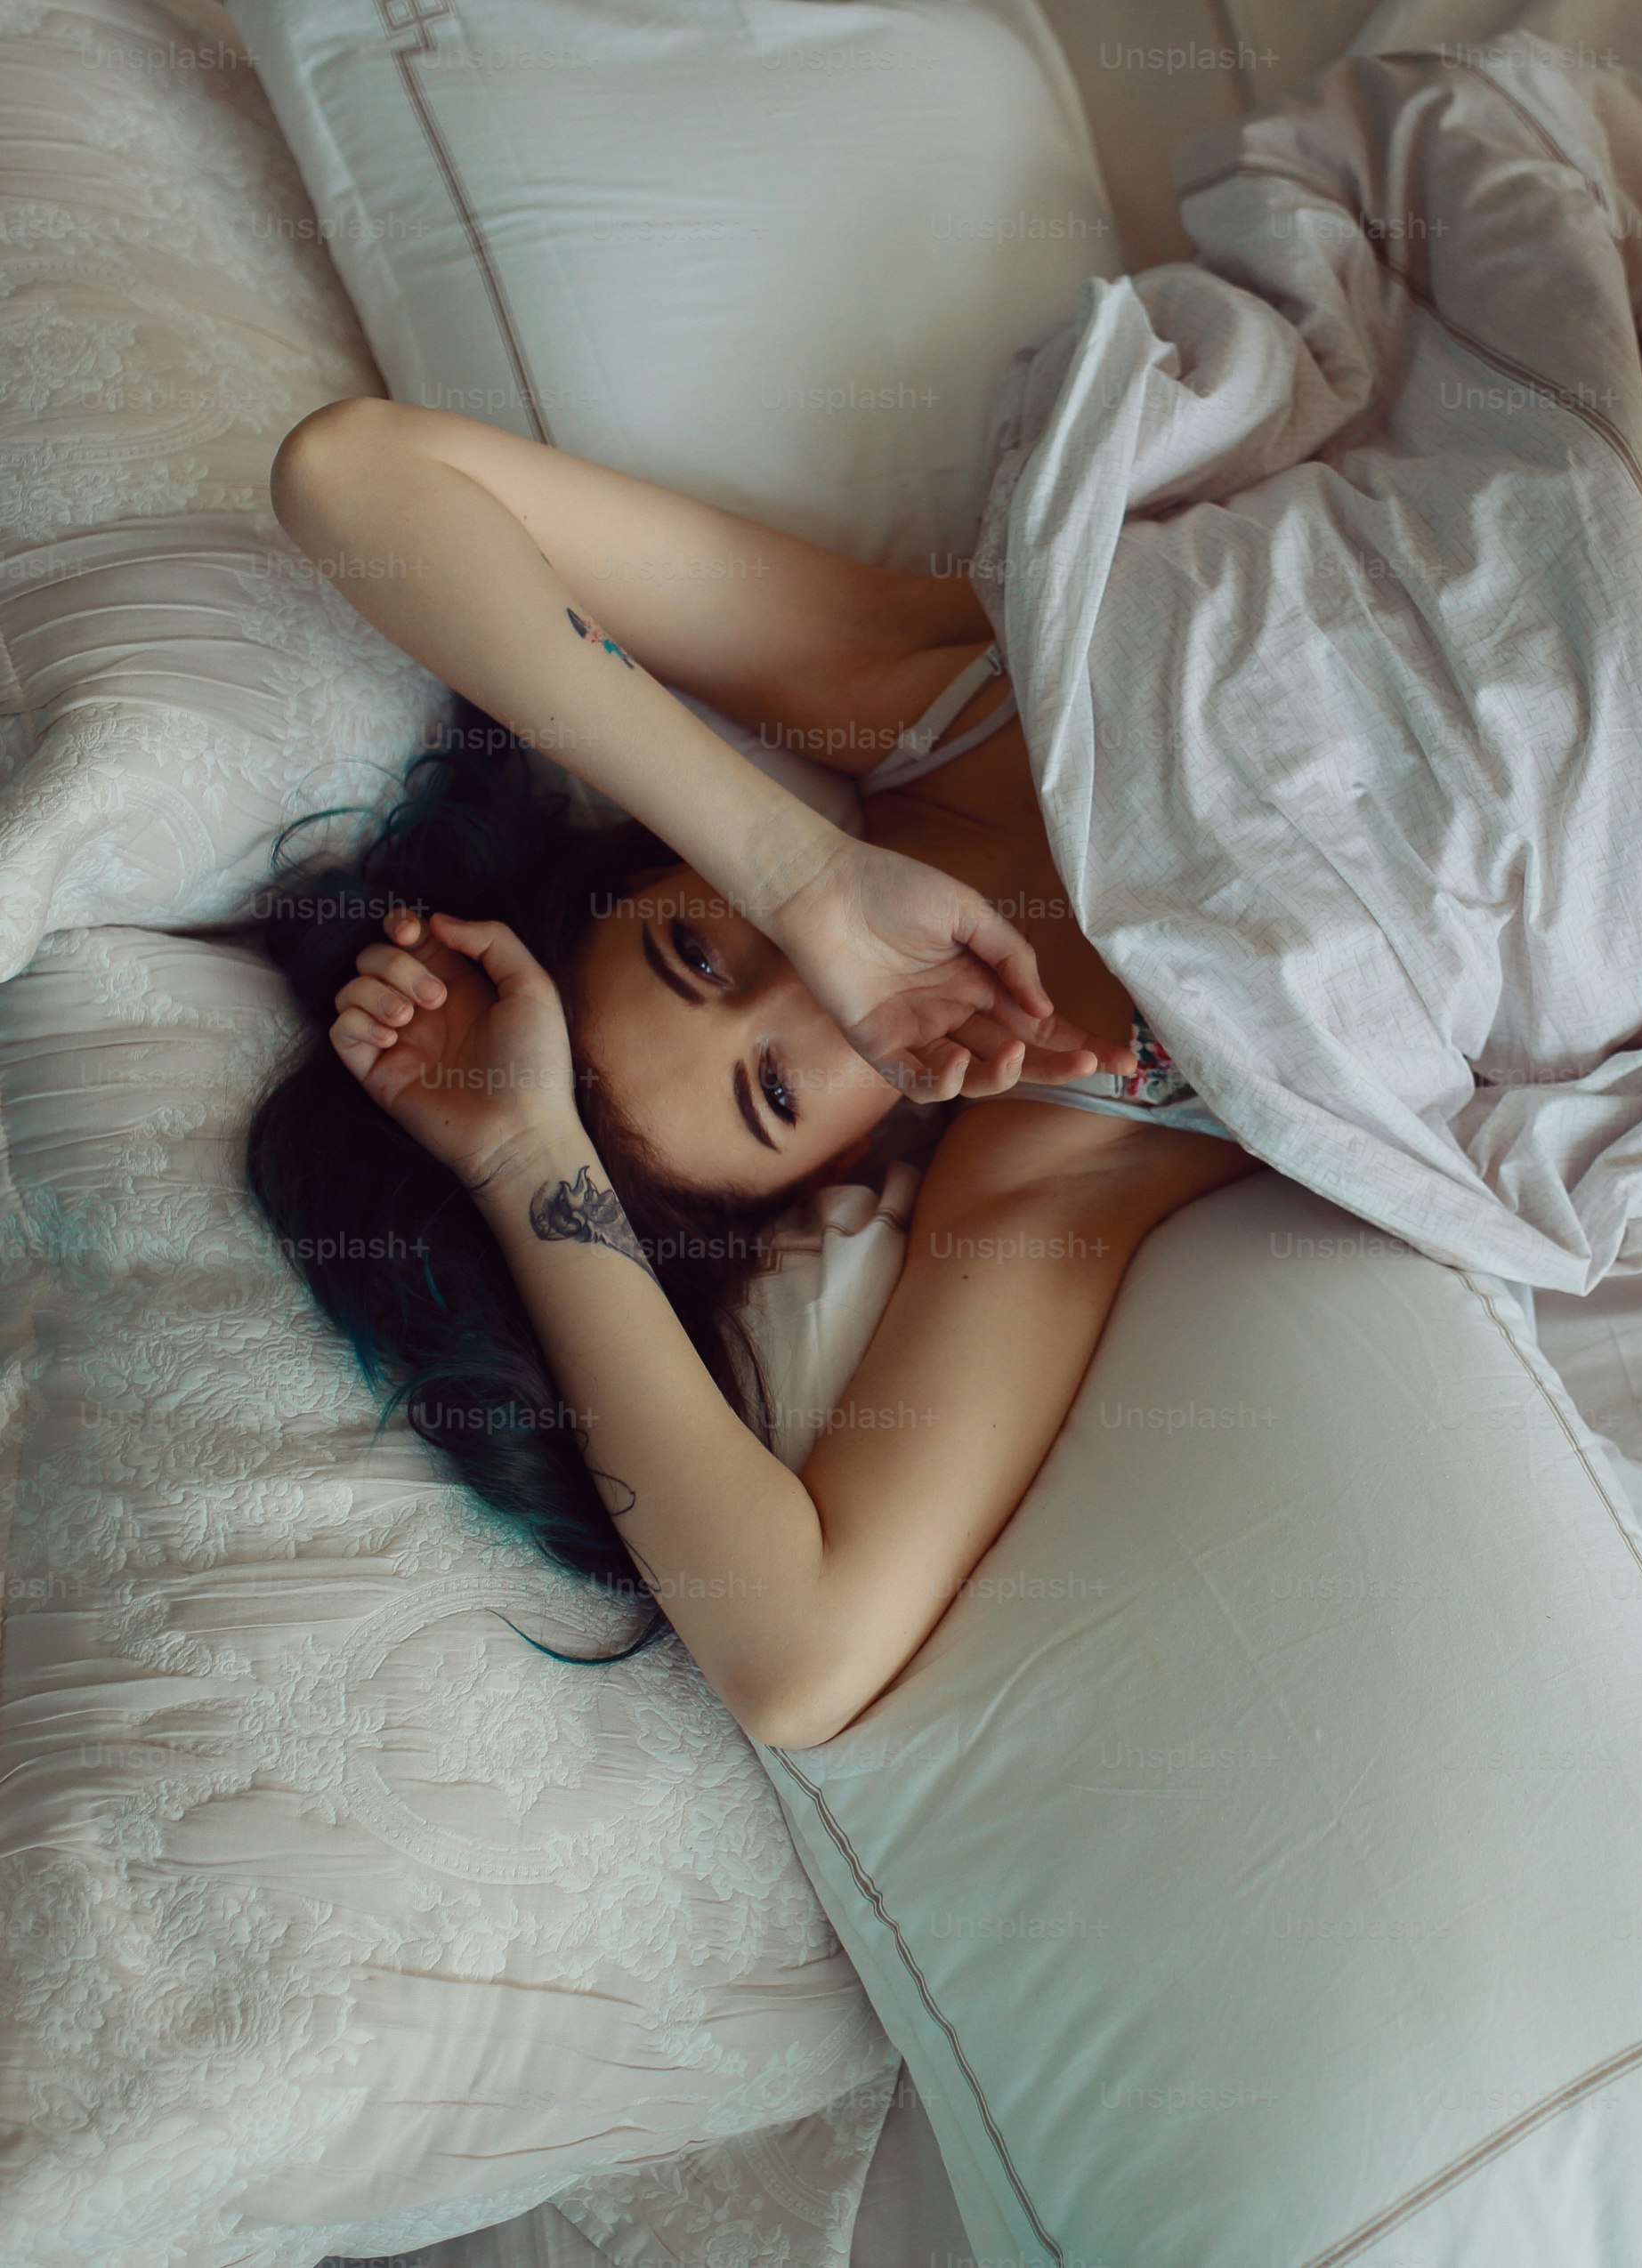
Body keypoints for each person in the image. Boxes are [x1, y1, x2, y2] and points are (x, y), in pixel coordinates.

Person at [249, 396, 1255, 1751]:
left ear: (657, 861)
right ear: (838, 1171)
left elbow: (349, 472)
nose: (800, 988)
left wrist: (800, 874)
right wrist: (522, 1156)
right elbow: (795, 1659)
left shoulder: (905, 691)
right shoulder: (1063, 1152)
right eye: (776, 1094)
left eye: (695, 953)